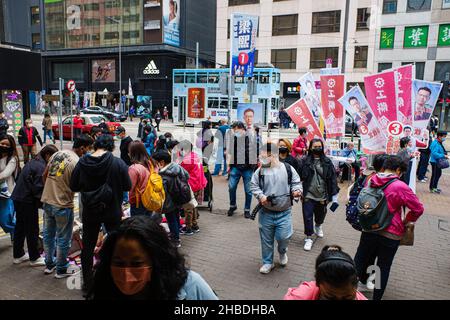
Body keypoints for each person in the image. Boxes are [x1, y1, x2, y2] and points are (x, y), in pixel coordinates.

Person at [88, 216, 218, 300]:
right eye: (119, 263)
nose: (126, 274)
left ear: (156, 260)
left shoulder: (190, 286)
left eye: (136, 264)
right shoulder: (104, 286)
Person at [354, 155, 424, 300]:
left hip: (369, 229)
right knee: (382, 267)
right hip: (390, 233)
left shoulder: (371, 180)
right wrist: (406, 221)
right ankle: (376, 297)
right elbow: (418, 209)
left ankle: (348, 291)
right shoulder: (400, 186)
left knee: (361, 261)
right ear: (398, 170)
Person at [69, 134, 131, 292]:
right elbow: (127, 186)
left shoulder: (82, 162)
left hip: (90, 211)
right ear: (111, 147)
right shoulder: (117, 162)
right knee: (116, 245)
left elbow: (74, 186)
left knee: (88, 248)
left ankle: (88, 285)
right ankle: (114, 281)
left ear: (95, 145)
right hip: (112, 211)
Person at [41, 135, 93, 279]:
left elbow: (44, 175)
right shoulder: (77, 162)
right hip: (63, 204)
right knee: (63, 238)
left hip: (47, 201)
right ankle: (61, 269)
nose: (88, 151)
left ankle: (49, 264)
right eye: (88, 148)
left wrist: (51, 189)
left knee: (48, 235)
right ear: (82, 148)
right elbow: (77, 187)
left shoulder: (57, 153)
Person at [250, 142, 302, 274]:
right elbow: (254, 186)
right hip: (266, 212)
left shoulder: (288, 168)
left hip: (284, 212)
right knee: (266, 239)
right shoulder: (260, 171)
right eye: (261, 156)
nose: (262, 159)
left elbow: (296, 183)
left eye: (264, 156)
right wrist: (261, 196)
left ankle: (282, 251)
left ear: (273, 155)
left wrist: (296, 191)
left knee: (283, 237)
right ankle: (268, 262)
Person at [11, 145, 58, 266]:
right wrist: (46, 205)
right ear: (47, 155)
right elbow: (38, 190)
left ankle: (18, 255)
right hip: (27, 201)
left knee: (20, 227)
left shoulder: (34, 161)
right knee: (32, 228)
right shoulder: (40, 167)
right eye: (53, 158)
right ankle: (34, 257)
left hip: (18, 197)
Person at [298, 139, 339, 251]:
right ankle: (308, 237)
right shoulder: (304, 161)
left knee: (321, 214)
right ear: (310, 147)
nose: (317, 148)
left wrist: (334, 195)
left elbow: (333, 179)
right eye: (315, 146)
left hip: (322, 194)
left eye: (319, 146)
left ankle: (318, 225)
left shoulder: (327, 162)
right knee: (307, 216)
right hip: (308, 194)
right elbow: (297, 177)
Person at [284, 245, 367, 300]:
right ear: (317, 283)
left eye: (348, 298)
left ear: (356, 286)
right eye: (329, 297)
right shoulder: (299, 297)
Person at [153, 150, 190, 248]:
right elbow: (187, 176)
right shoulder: (177, 167)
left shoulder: (164, 175)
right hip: (179, 199)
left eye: (156, 163)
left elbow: (163, 192)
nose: (155, 166)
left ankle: (175, 239)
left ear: (161, 162)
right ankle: (176, 232)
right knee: (175, 217)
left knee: (171, 220)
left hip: (170, 202)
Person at [225, 121, 258, 218]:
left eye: (235, 129)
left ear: (241, 128)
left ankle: (247, 209)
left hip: (248, 168)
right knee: (231, 187)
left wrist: (253, 167)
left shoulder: (251, 137)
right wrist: (228, 165)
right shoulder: (234, 138)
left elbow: (255, 151)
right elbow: (230, 151)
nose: (234, 131)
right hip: (235, 167)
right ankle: (233, 205)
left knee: (248, 190)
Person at [179, 141, 207, 235]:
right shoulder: (195, 155)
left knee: (188, 208)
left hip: (192, 185)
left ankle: (188, 228)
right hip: (199, 183)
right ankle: (195, 225)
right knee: (193, 205)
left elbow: (181, 173)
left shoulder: (186, 159)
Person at [127, 141, 160, 220]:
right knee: (147, 222)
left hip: (138, 202)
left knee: (139, 225)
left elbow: (129, 187)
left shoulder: (134, 168)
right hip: (151, 198)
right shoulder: (152, 163)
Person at [0, 134, 20, 240]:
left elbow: (5, 175)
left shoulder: (13, 159)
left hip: (7, 194)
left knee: (5, 220)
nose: (3, 146)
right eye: (2, 143)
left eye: (7, 144)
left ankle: (16, 232)